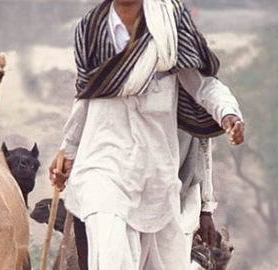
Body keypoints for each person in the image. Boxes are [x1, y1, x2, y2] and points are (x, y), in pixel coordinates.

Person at [49, 0, 245, 269]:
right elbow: (86, 96)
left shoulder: (170, 24)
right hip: (102, 166)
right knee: (111, 257)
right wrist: (68, 151)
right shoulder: (91, 29)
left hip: (156, 172)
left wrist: (227, 113)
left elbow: (202, 85)